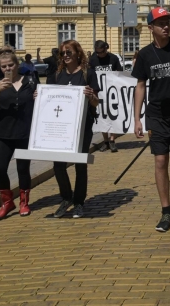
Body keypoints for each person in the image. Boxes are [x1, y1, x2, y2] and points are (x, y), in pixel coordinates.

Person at [132, 7, 170, 232]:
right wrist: (137, 118)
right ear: (151, 28)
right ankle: (166, 212)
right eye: (160, 23)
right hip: (156, 114)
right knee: (160, 161)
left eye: (167, 21)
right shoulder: (145, 55)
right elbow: (140, 86)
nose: (166, 26)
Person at [47, 40, 101, 219]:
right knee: (58, 164)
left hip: (83, 126)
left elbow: (96, 103)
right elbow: (49, 100)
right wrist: (39, 97)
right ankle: (66, 198)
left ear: (78, 53)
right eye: (62, 53)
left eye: (69, 52)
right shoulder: (56, 75)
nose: (65, 56)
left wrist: (91, 96)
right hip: (61, 128)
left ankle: (79, 202)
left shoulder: (88, 74)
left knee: (80, 164)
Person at [0, 46, 38, 220]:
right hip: (3, 134)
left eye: (10, 65)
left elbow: (43, 101)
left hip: (24, 133)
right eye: (4, 66)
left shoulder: (30, 82)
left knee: (23, 169)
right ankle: (7, 202)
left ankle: (24, 202)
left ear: (17, 64)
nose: (8, 69)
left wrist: (39, 97)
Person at [89, 40, 123, 152]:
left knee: (112, 115)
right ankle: (106, 141)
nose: (99, 54)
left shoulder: (113, 58)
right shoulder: (93, 60)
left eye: (101, 52)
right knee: (101, 117)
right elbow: (90, 74)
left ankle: (112, 140)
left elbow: (120, 73)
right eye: (97, 52)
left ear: (106, 49)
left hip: (112, 92)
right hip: (99, 93)